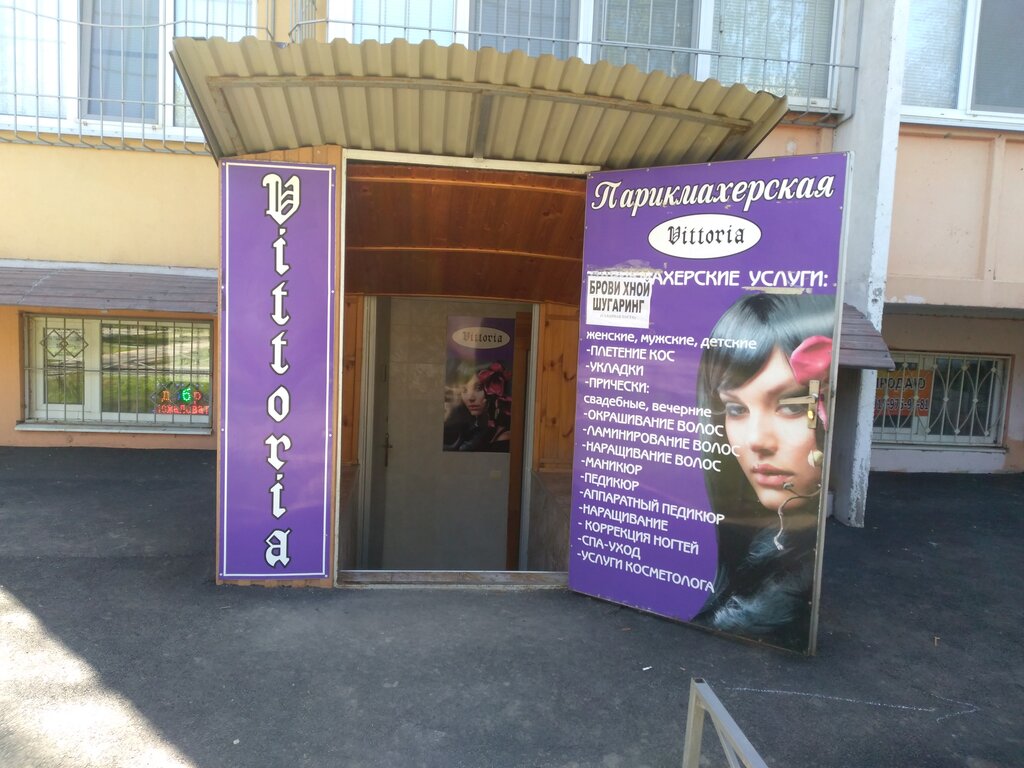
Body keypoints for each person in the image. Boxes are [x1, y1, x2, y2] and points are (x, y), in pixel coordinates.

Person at [692, 292, 834, 650]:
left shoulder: (792, 596)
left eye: (791, 405)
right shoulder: (739, 552)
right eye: (736, 409)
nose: (757, 440)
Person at [443, 360, 512, 452]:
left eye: (478, 388)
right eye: (464, 390)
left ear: (495, 389)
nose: (470, 398)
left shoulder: (504, 438)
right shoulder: (463, 430)